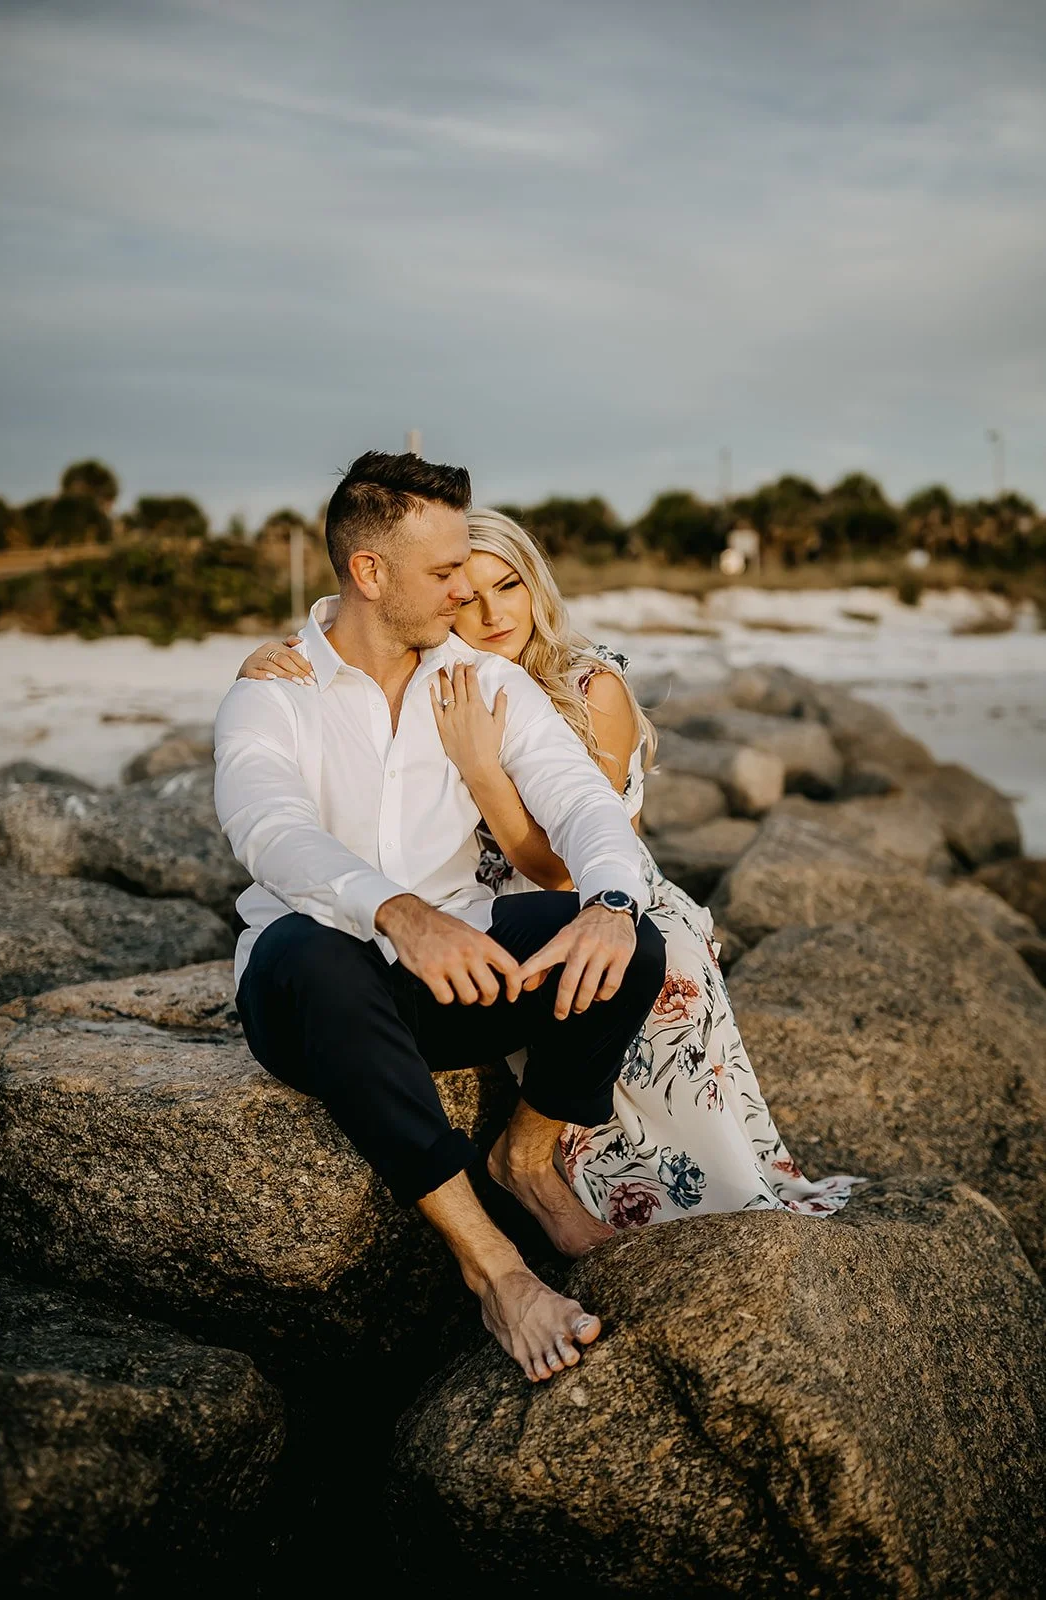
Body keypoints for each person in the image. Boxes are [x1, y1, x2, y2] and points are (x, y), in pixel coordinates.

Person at [240, 509, 860, 1226]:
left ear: (534, 583)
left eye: (507, 585)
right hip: (496, 901)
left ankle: (683, 1201)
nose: (491, 611)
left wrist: (480, 769)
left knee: (645, 975)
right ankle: (554, 1173)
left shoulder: (585, 685)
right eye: (465, 596)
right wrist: (266, 661)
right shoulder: (447, 677)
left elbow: (565, 868)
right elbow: (347, 655)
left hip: (596, 890)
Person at [214, 451, 667, 1387]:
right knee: (315, 951)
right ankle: (494, 1269)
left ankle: (527, 1157)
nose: (465, 588)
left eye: (469, 563)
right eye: (445, 570)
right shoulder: (272, 693)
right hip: (316, 994)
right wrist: (395, 911)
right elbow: (268, 827)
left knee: (632, 943)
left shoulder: (483, 685)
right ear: (368, 574)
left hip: (460, 980)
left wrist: (613, 903)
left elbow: (582, 803)